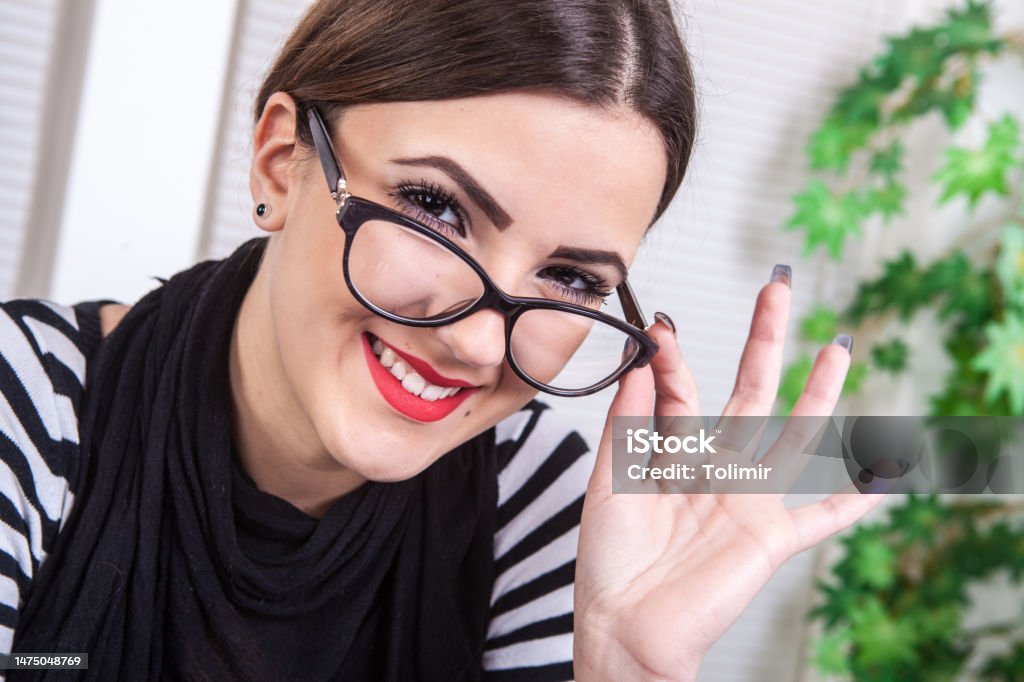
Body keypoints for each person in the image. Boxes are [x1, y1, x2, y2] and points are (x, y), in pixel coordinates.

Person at [0, 0, 879, 679]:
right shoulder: (23, 404)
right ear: (280, 162)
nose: (480, 346)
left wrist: (622, 666)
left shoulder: (539, 503)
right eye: (436, 208)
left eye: (571, 278)